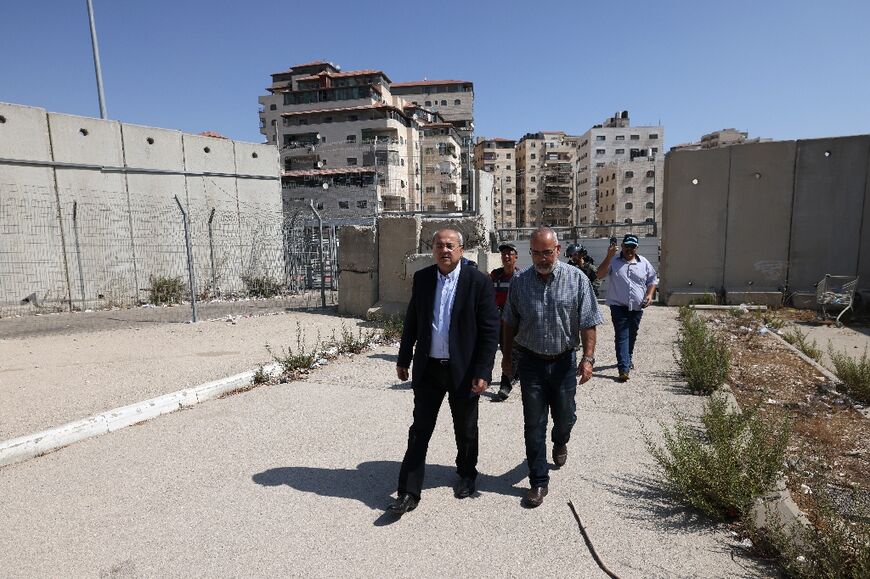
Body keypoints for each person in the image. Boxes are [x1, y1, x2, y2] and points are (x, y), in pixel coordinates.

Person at [389, 228, 500, 514]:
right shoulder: (423, 279)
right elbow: (413, 320)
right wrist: (404, 358)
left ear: (462, 249)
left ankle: (466, 473)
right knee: (419, 430)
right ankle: (408, 492)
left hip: (462, 370)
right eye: (439, 246)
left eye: (450, 246)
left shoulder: (478, 282)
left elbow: (490, 331)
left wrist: (484, 371)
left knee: (465, 428)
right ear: (433, 250)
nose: (444, 250)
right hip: (429, 370)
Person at [502, 228, 602, 508]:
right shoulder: (520, 282)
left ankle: (560, 440)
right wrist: (507, 358)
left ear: (558, 250)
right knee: (533, 424)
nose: (542, 258)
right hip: (531, 362)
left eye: (548, 252)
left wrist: (588, 359)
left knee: (565, 417)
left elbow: (588, 322)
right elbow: (509, 322)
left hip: (564, 362)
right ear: (530, 253)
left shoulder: (577, 279)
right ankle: (538, 481)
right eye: (536, 252)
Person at [596, 233, 658, 382]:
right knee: (622, 335)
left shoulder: (644, 263)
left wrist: (649, 295)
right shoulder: (614, 262)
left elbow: (653, 280)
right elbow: (599, 274)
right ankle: (623, 368)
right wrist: (608, 256)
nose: (629, 249)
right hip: (618, 306)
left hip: (637, 307)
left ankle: (627, 360)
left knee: (632, 335)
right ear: (622, 247)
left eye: (632, 246)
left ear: (636, 248)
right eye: (627, 246)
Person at [490, 242, 519, 401]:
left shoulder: (522, 276)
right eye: (503, 254)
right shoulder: (495, 275)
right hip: (497, 322)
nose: (506, 256)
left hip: (515, 323)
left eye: (509, 253)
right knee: (496, 351)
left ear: (516, 256)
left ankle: (505, 386)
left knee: (511, 352)